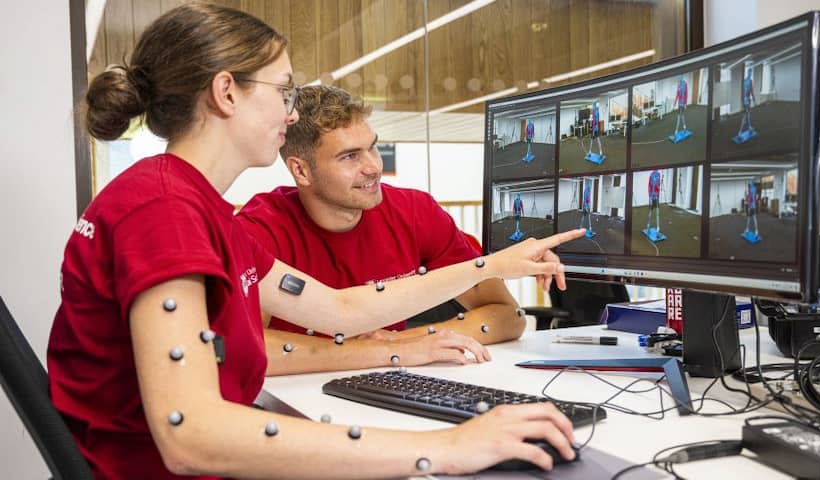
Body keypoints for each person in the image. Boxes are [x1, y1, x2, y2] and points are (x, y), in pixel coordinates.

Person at [47, 4, 584, 479]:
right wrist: (443, 447)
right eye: (283, 91)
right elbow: (192, 434)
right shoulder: (164, 211)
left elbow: (340, 307)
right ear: (226, 92)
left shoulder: (200, 209)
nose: (292, 111)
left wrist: (490, 265)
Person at [236, 86, 524, 374]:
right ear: (301, 171)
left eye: (372, 147)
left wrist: (404, 340)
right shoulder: (260, 229)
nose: (373, 167)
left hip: (387, 380)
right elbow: (247, 345)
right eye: (350, 156)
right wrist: (387, 351)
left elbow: (509, 315)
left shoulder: (414, 211)